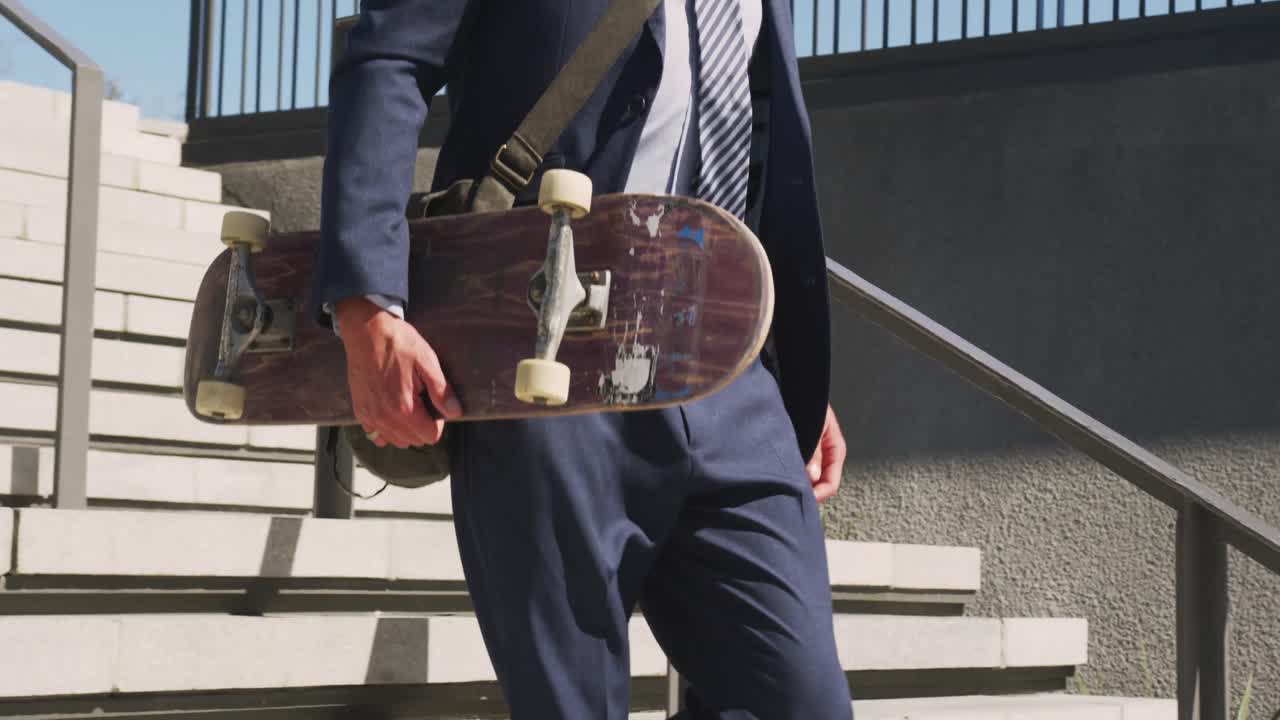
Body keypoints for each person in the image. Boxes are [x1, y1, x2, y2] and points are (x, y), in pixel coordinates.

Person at [312, 0, 852, 717]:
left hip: (729, 378)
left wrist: (773, 350)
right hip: (549, 359)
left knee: (800, 701)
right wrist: (367, 301)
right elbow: (390, 59)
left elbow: (750, 145)